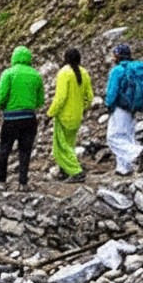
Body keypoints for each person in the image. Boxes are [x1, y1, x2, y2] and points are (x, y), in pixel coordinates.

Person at [0, 45, 46, 186]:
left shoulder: (8, 73)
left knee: (5, 149)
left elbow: (1, 97)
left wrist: (3, 107)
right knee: (25, 151)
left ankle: (1, 181)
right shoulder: (36, 75)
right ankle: (23, 183)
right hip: (29, 118)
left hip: (11, 118)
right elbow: (40, 100)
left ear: (13, 57)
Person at [47, 48, 91, 183]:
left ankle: (76, 171)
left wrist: (50, 113)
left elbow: (60, 98)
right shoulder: (84, 73)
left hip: (64, 117)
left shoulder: (64, 73)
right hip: (77, 116)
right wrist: (81, 107)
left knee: (60, 148)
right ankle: (65, 171)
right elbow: (89, 97)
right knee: (69, 146)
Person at [104, 44, 143, 175]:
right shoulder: (135, 69)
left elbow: (112, 91)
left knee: (113, 137)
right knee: (127, 136)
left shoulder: (117, 70)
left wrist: (108, 104)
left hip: (120, 107)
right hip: (133, 108)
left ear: (118, 56)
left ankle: (138, 153)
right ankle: (123, 168)